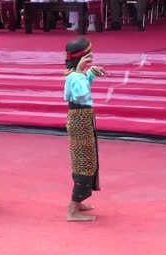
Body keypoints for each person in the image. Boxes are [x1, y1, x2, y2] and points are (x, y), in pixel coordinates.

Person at [63, 37, 107, 221]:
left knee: (83, 158)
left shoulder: (72, 75)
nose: (92, 57)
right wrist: (83, 73)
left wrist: (89, 75)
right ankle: (73, 210)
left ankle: (78, 203)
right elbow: (82, 95)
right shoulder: (75, 76)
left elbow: (77, 93)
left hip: (80, 118)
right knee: (84, 162)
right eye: (89, 54)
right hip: (80, 120)